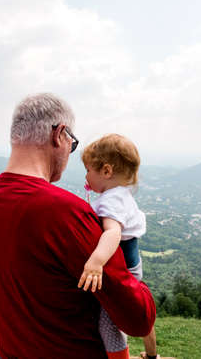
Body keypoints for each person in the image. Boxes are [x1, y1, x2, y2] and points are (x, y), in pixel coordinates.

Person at [0, 93, 156, 359]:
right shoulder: (66, 213)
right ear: (59, 135)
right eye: (72, 144)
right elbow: (138, 319)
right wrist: (139, 281)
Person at [79, 134, 159, 359]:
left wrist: (96, 262)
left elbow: (113, 233)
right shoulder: (121, 195)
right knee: (140, 311)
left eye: (88, 170)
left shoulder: (111, 200)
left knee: (108, 323)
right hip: (133, 266)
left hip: (121, 270)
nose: (86, 176)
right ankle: (152, 354)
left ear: (106, 171)